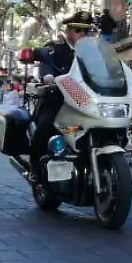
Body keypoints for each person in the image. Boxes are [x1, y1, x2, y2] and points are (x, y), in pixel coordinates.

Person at [30, 11, 93, 171]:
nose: (83, 35)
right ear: (69, 31)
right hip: (58, 102)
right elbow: (46, 63)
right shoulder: (55, 49)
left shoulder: (94, 53)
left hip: (86, 105)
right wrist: (48, 76)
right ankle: (37, 170)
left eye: (86, 31)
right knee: (45, 127)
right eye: (78, 30)